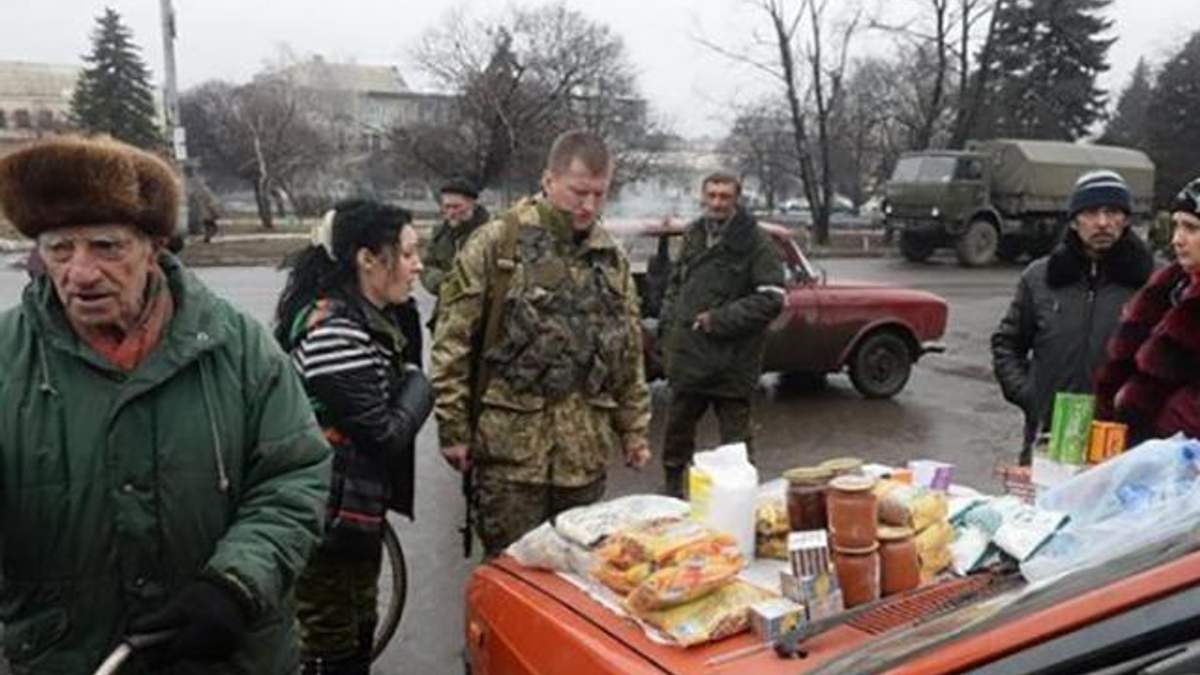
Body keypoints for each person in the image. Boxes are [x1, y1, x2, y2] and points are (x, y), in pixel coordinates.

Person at [0, 135, 331, 674]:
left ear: (153, 247)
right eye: (59, 249)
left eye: (106, 246)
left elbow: (295, 475)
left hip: (228, 656)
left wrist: (236, 584)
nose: (80, 272)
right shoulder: (6, 358)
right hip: (65, 656)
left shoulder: (239, 347)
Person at [431, 129, 651, 557]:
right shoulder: (497, 244)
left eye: (600, 194)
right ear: (549, 180)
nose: (589, 205)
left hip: (583, 458)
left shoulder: (611, 258)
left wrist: (634, 430)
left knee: (578, 577)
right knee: (511, 574)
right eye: (579, 192)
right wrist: (453, 429)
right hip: (512, 460)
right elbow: (452, 343)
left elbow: (627, 353)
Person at [274, 200, 434, 674]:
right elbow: (383, 433)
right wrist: (419, 387)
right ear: (367, 258)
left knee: (357, 629)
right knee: (331, 647)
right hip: (325, 519)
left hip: (350, 513)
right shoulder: (334, 332)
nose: (418, 266)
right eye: (408, 253)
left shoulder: (369, 317)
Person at [991, 170, 1154, 464]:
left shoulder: (1152, 284)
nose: (1102, 222)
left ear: (1126, 219)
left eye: (1112, 212)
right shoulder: (1040, 278)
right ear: (1075, 220)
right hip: (1049, 436)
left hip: (1121, 444)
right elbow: (1007, 344)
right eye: (1091, 212)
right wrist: (1029, 394)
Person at [658, 173, 786, 498]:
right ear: (703, 197)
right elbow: (677, 284)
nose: (716, 203)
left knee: (737, 449)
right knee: (676, 438)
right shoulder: (693, 234)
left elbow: (772, 298)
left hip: (732, 363)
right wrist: (668, 329)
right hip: (689, 358)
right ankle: (673, 497)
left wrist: (719, 320)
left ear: (736, 200)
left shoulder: (756, 242)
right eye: (711, 195)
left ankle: (741, 503)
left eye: (724, 196)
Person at [1095, 178, 1200, 443]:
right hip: (1131, 449)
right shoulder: (1168, 288)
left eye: (1191, 228)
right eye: (1176, 226)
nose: (1177, 240)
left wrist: (1164, 427)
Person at [421, 177, 490, 327]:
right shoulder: (440, 234)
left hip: (484, 316)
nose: (451, 212)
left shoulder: (491, 233)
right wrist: (444, 283)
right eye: (446, 207)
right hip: (446, 314)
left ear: (472, 204)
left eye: (456, 207)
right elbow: (426, 267)